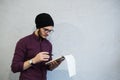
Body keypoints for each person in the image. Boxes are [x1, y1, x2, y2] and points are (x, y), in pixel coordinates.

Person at [11, 13, 63, 80]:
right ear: (38, 27)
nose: (48, 33)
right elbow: (14, 68)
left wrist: (54, 65)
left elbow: (47, 67)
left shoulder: (48, 44)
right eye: (45, 29)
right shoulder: (23, 42)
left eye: (50, 31)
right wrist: (34, 60)